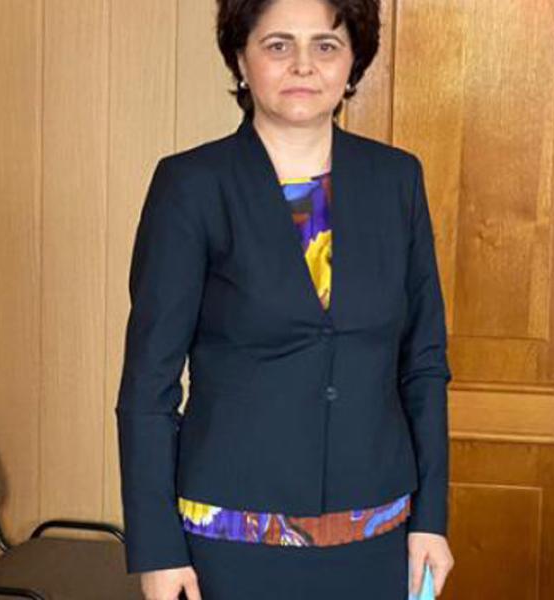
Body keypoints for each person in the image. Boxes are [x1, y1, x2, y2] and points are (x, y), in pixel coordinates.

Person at [115, 0, 454, 598]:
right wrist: (157, 550)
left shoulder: (397, 180)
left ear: (353, 63)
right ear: (241, 60)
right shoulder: (191, 185)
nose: (303, 65)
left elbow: (423, 364)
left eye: (326, 45)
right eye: (278, 45)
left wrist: (431, 518)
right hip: (228, 531)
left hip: (376, 527)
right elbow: (149, 384)